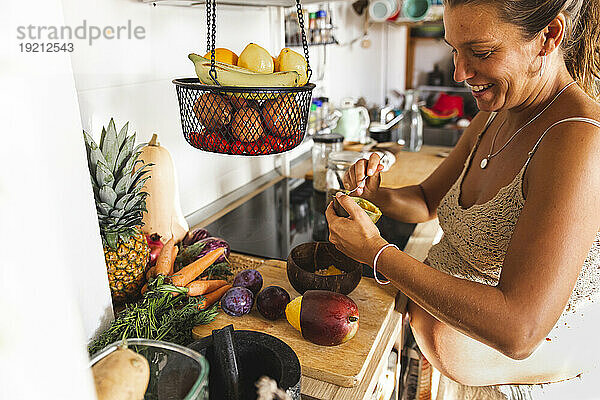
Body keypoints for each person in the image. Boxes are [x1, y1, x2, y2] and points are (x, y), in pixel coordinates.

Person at [325, 0, 600, 398]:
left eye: (482, 52)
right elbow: (424, 200)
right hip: (452, 376)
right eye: (454, 48)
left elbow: (518, 330)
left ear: (548, 37)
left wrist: (378, 254)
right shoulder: (494, 115)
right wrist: (375, 194)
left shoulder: (578, 141)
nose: (459, 72)